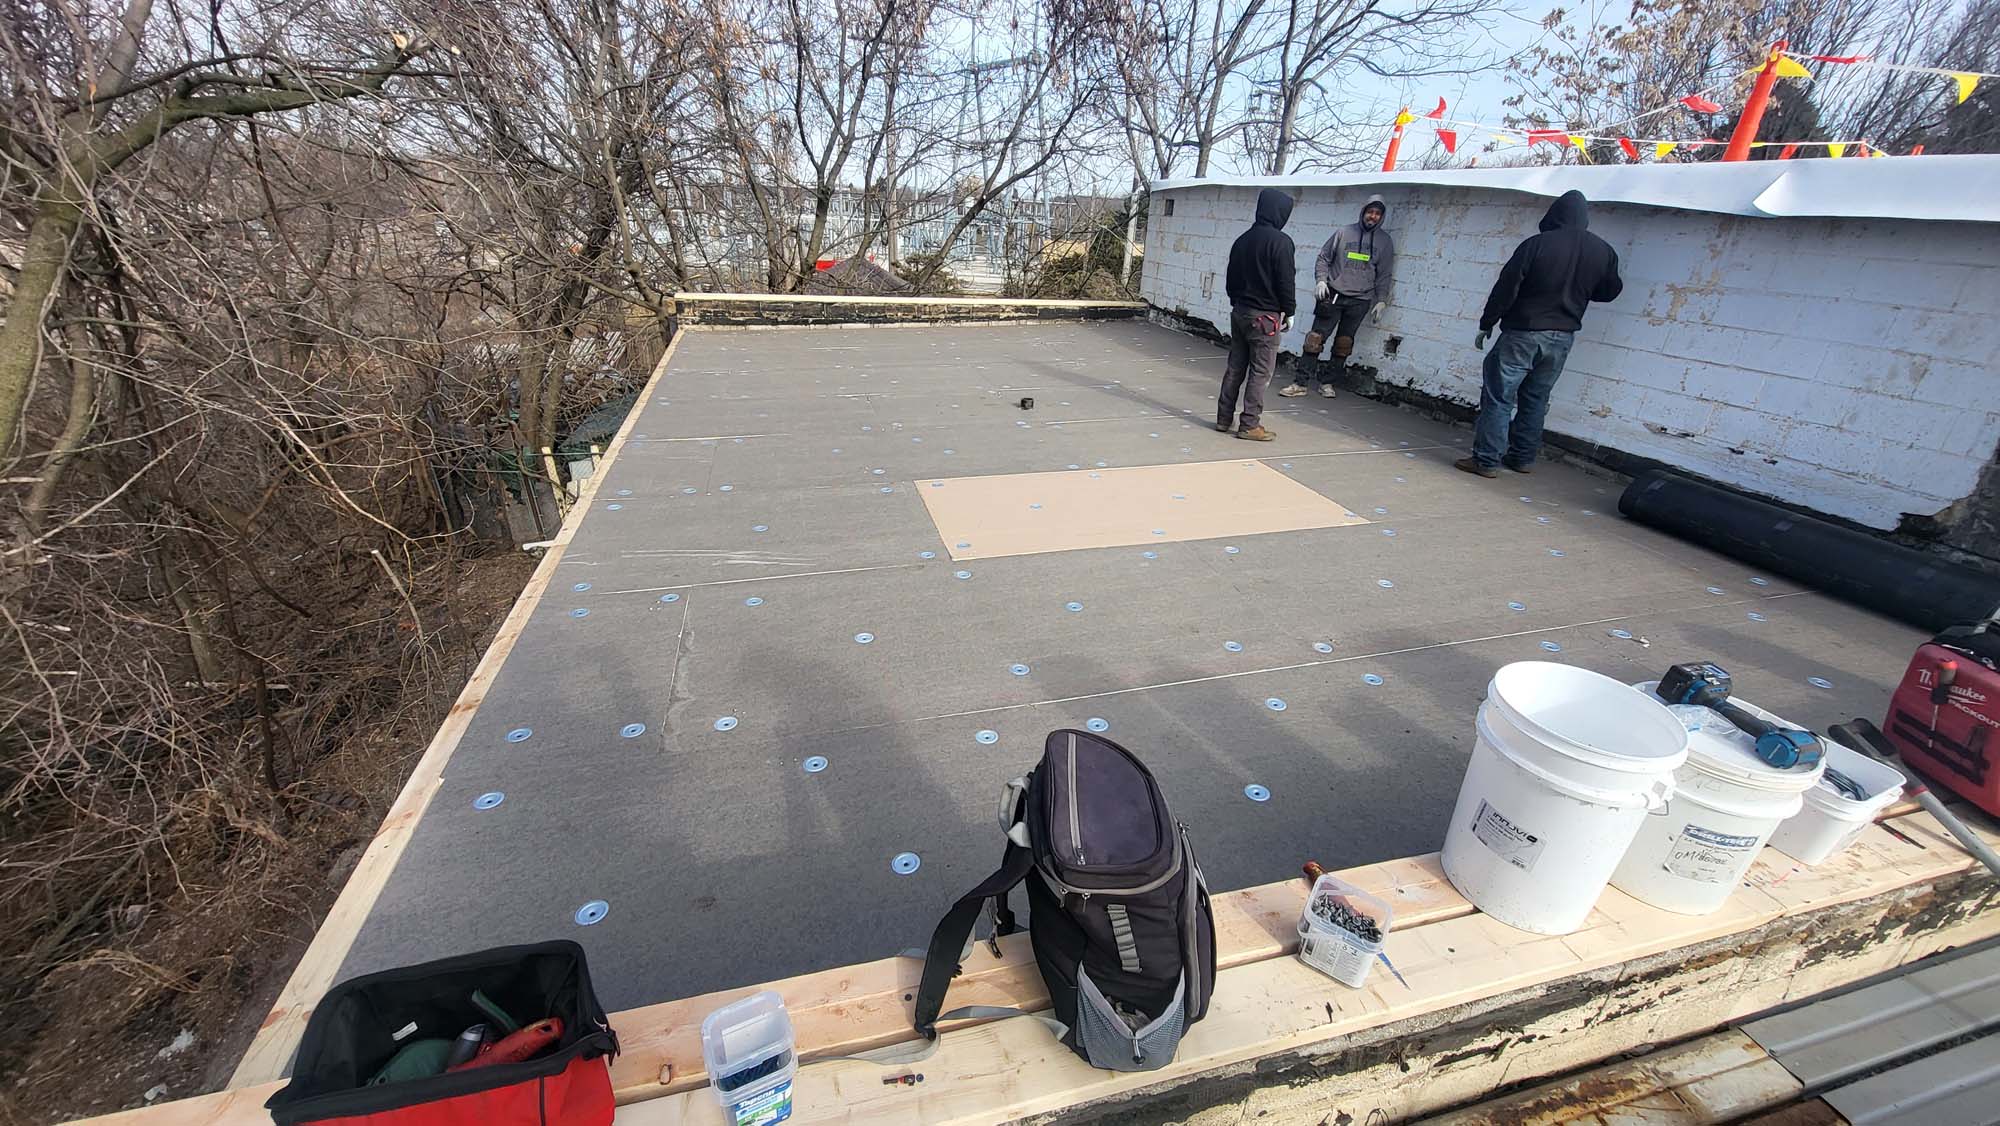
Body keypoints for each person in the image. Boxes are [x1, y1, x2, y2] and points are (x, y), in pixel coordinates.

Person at [1455, 190, 1623, 479]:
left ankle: (1486, 460)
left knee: (1499, 397)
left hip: (1523, 331)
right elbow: (1609, 292)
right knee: (1536, 398)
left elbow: (1507, 287)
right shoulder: (1603, 251)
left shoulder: (1536, 245)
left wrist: (1488, 321)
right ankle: (1522, 458)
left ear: (1554, 214)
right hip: (1563, 337)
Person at [1282, 195, 1394, 400]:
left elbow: (1385, 274)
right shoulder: (1344, 233)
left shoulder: (1385, 242)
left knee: (1344, 343)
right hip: (1333, 295)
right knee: (1314, 340)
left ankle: (1328, 382)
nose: (1373, 216)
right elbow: (1324, 257)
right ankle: (1300, 383)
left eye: (1378, 213)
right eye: (1370, 211)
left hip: (1360, 300)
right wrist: (1321, 281)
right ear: (1363, 211)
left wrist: (1381, 300)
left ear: (1382, 217)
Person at [1216, 188, 1296, 441]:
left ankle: (1223, 418)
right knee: (1260, 372)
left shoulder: (1242, 240)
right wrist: (1289, 311)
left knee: (1235, 368)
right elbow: (1286, 281)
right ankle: (1250, 424)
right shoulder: (1281, 243)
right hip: (1265, 318)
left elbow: (1231, 279)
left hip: (1240, 312)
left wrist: (1237, 301)